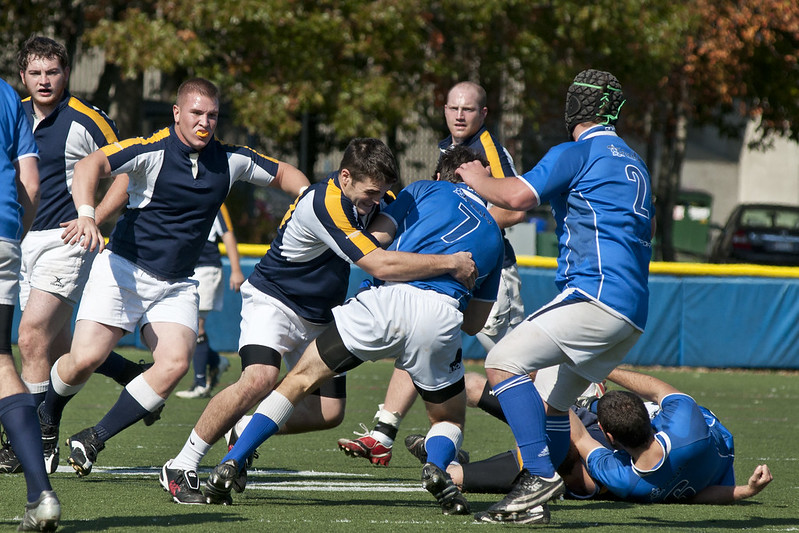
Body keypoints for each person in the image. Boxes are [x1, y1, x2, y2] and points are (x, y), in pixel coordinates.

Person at [159, 138, 478, 505]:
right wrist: (451, 262)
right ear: (345, 177)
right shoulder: (324, 201)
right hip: (275, 301)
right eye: (372, 192)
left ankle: (245, 429)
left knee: (329, 413)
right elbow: (378, 263)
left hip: (319, 313)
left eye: (382, 193)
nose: (377, 201)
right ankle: (182, 463)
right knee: (259, 379)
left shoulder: (376, 199)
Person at [34, 77, 310, 480]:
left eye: (212, 115)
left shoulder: (230, 159)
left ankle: (93, 437)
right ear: (177, 113)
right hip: (122, 271)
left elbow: (285, 172)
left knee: (175, 363)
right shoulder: (151, 150)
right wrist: (88, 213)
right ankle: (47, 416)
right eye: (196, 113)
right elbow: (89, 165)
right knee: (84, 359)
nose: (204, 122)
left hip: (177, 282)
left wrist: (307, 199)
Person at [455, 68, 654, 524]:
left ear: (573, 108)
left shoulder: (577, 151)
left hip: (596, 296)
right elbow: (649, 228)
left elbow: (518, 198)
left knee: (503, 361)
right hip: (633, 310)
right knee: (554, 407)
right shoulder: (632, 161)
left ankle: (537, 477)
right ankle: (535, 503)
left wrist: (475, 176)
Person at [337, 81, 527, 466]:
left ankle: (569, 424)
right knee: (422, 339)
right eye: (453, 108)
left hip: (488, 274)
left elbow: (515, 207)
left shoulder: (487, 150)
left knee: (519, 368)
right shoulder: (448, 149)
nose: (459, 115)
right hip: (453, 272)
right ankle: (383, 432)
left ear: (483, 114)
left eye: (468, 109)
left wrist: (472, 229)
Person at [1, 36, 148, 476]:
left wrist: (94, 219)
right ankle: (127, 374)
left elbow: (130, 173)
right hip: (17, 239)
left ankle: (28, 440)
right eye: (36, 73)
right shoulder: (14, 112)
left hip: (65, 243)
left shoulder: (88, 120)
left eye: (53, 72)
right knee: (60, 347)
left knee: (29, 336)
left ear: (66, 74)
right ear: (23, 76)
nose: (44, 81)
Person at [440, 368, 772, 507]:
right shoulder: (685, 425)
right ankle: (447, 450)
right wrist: (744, 491)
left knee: (453, 474)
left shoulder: (621, 477)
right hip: (604, 439)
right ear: (650, 415)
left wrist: (556, 387)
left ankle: (445, 450)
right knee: (473, 386)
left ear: (610, 436)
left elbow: (579, 435)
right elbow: (695, 493)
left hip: (578, 445)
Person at [0, 77, 60, 531]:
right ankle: (41, 495)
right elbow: (32, 183)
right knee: (3, 361)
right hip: (4, 234)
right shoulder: (6, 95)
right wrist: (14, 237)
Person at [176, 204, 242, 399]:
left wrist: (236, 270)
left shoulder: (216, 200)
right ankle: (215, 362)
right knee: (185, 328)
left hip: (206, 269)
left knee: (196, 326)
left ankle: (200, 383)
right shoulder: (179, 194)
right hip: (185, 270)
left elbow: (228, 234)